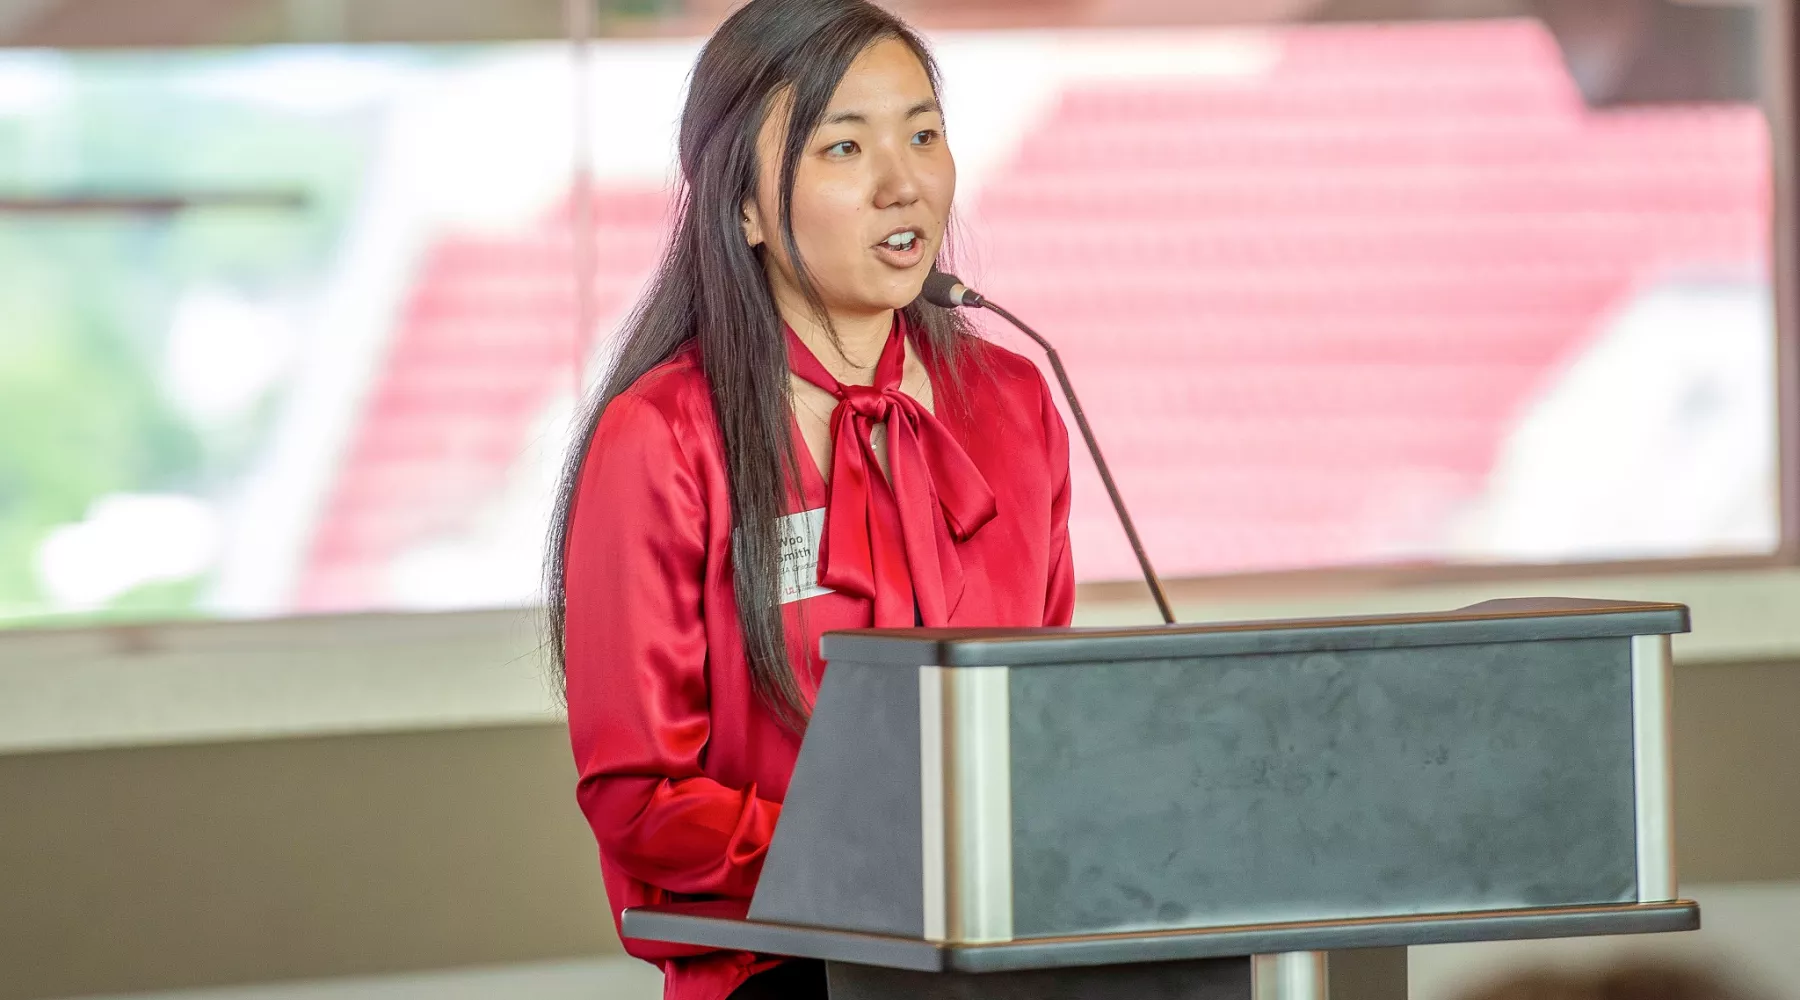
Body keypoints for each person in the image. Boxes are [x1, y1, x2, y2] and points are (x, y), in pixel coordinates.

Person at [543, 1, 1075, 998]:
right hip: (786, 967)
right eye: (845, 146)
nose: (902, 182)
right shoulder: (664, 438)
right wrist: (879, 863)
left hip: (1008, 957)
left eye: (923, 134)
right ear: (743, 206)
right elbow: (639, 796)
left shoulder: (1015, 403)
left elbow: (1040, 721)